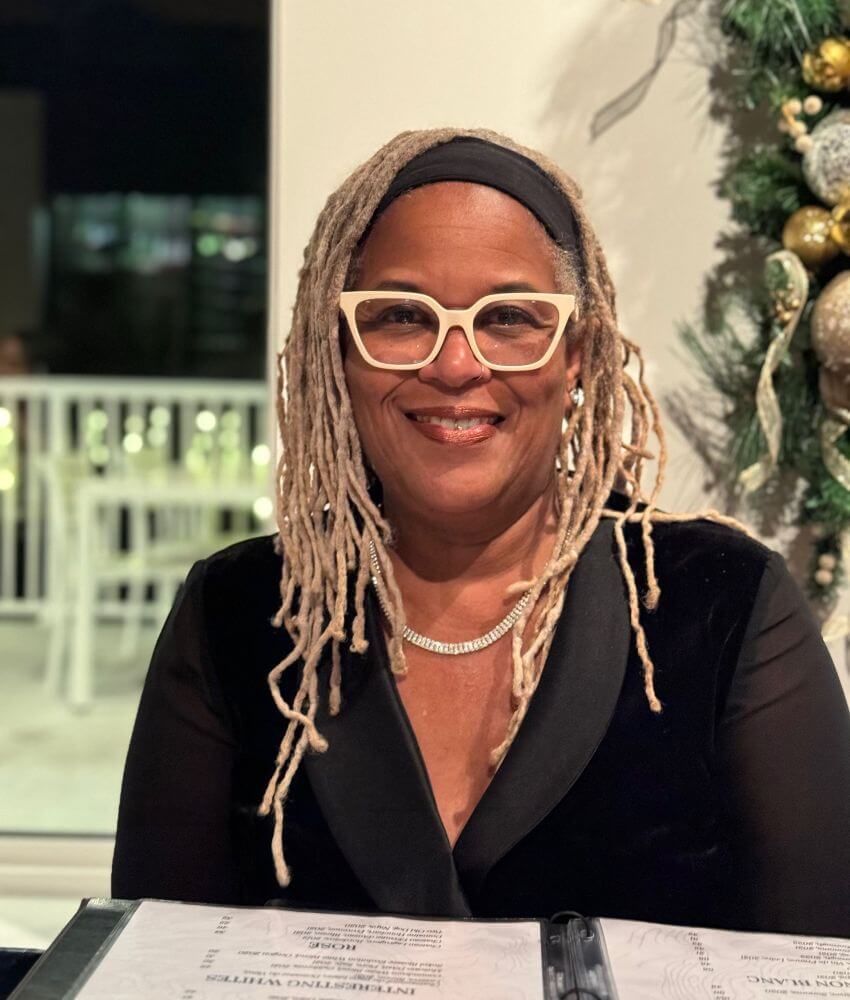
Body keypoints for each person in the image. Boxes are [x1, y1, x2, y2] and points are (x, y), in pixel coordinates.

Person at [112, 127, 850, 937]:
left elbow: (821, 966)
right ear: (340, 352)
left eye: (508, 318)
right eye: (400, 315)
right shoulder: (239, 615)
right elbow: (155, 962)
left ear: (579, 354)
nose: (456, 365)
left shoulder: (725, 604)